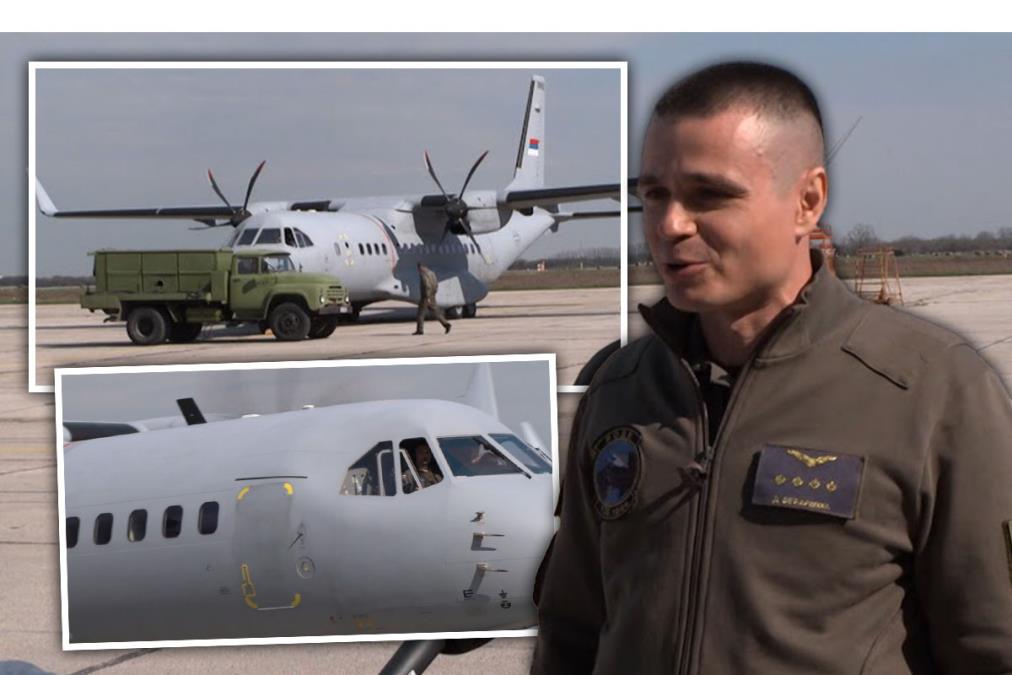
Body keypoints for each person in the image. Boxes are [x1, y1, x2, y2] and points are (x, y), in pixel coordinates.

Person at [532, 61, 1012, 674]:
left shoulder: (932, 391)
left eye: (709, 195)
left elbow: (993, 646)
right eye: (653, 195)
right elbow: (571, 628)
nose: (670, 225)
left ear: (807, 202)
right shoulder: (620, 389)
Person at [413, 262, 451, 335]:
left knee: (420, 313)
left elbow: (426, 285)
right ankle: (446, 324)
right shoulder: (432, 273)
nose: (418, 269)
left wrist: (427, 296)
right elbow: (436, 284)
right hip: (432, 295)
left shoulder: (423, 274)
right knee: (435, 311)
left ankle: (420, 330)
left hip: (425, 296)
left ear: (420, 267)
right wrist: (433, 293)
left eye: (418, 267)